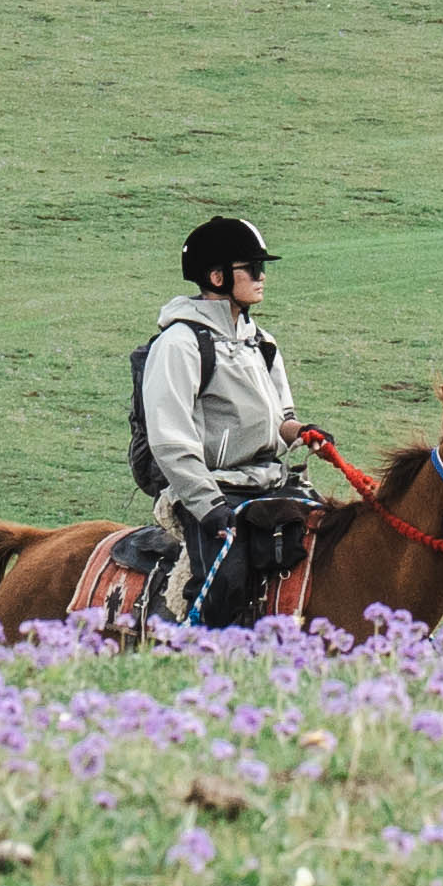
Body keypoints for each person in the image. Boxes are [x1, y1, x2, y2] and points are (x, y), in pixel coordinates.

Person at [136, 215, 309, 631]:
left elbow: (281, 418)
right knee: (225, 585)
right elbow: (170, 440)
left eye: (261, 267)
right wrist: (207, 504)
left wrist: (300, 433)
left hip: (267, 481)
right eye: (251, 268)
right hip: (212, 490)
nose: (262, 276)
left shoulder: (260, 341)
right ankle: (193, 664)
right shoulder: (178, 344)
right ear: (216, 276)